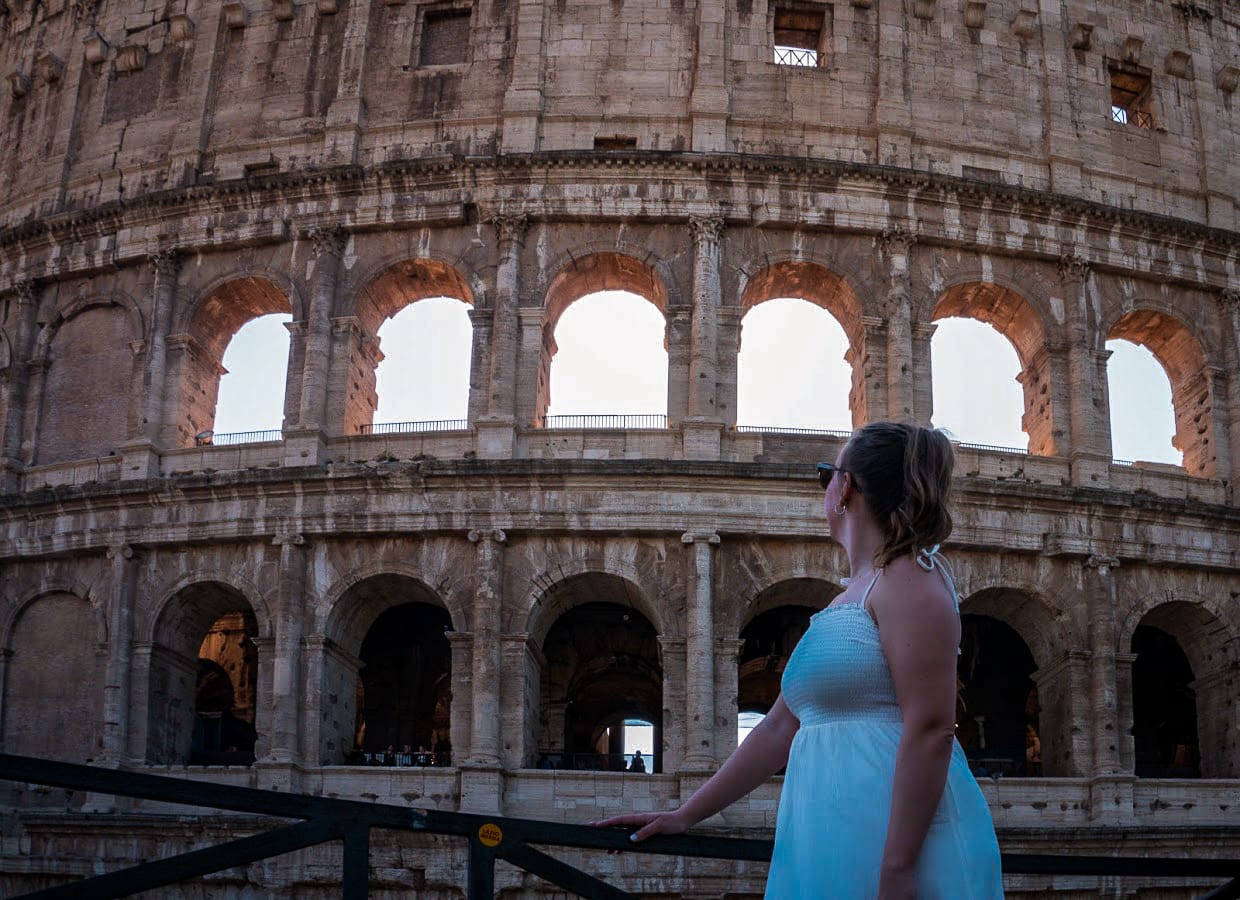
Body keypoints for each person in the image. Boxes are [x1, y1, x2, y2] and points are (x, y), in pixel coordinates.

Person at [593, 422, 1003, 899]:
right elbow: (777, 729)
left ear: (845, 487)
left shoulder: (909, 576)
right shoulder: (846, 598)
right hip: (830, 831)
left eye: (825, 474)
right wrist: (686, 813)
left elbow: (932, 728)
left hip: (900, 843)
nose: (824, 487)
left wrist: (897, 867)